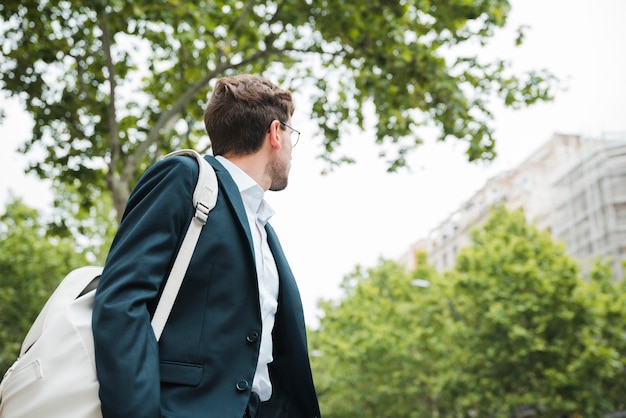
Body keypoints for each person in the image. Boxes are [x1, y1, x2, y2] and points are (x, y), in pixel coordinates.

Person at [92, 74, 321, 418]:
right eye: (292, 134)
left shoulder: (263, 230)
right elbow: (121, 302)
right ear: (275, 133)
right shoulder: (184, 178)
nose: (291, 148)